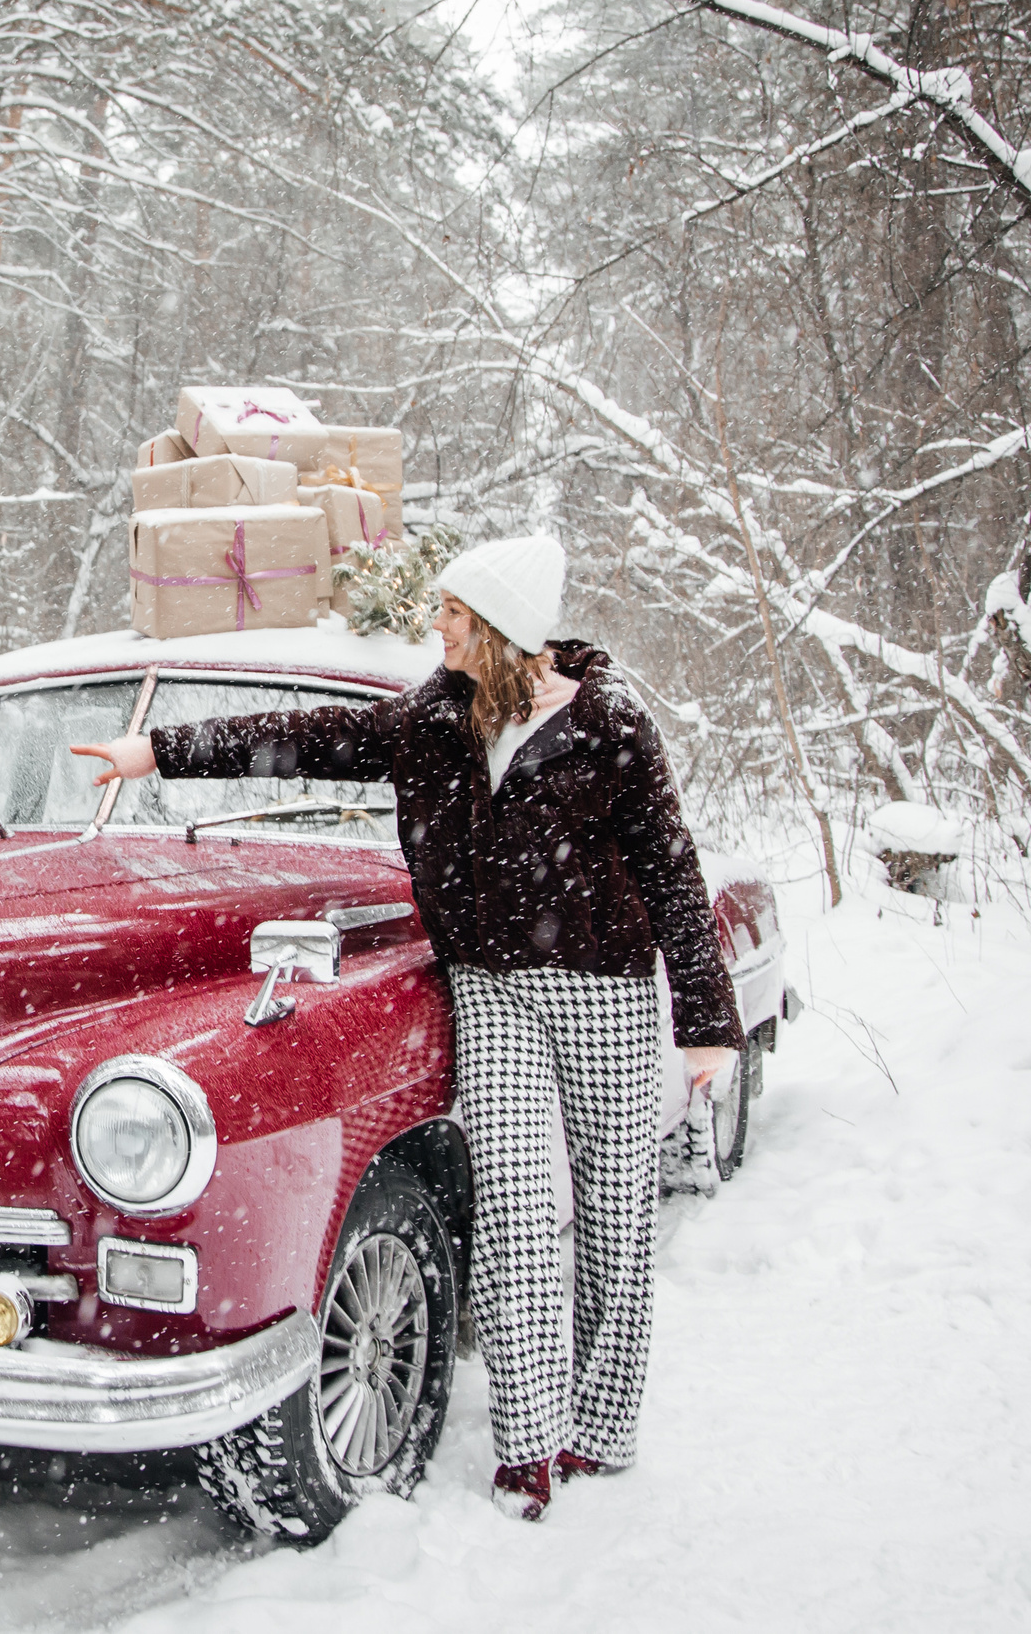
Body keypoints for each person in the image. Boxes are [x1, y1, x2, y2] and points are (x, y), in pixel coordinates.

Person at [73, 534, 741, 1521]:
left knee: (612, 1214)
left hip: (602, 987)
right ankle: (526, 1447)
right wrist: (156, 750)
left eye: (454, 614)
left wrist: (705, 1019)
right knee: (513, 1213)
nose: (438, 627)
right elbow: (303, 739)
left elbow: (672, 875)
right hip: (491, 987)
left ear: (502, 628)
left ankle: (601, 1427)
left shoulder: (611, 725)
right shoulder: (435, 718)